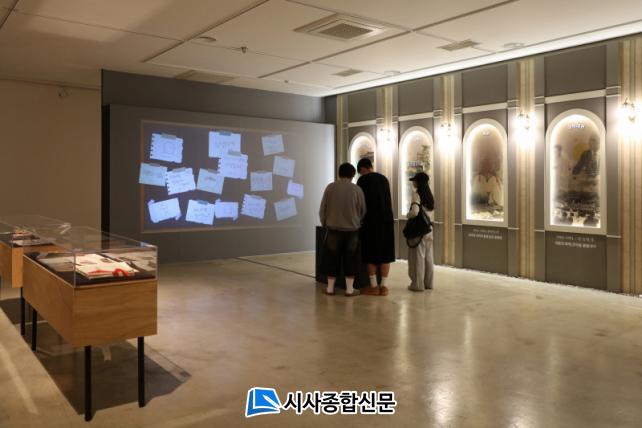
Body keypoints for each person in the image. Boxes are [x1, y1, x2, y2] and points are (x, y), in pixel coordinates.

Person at [319, 162, 366, 297]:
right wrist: (358, 222)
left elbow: (322, 209)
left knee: (331, 258)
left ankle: (330, 288)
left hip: (333, 229)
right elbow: (363, 210)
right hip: (352, 230)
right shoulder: (357, 190)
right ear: (353, 174)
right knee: (351, 259)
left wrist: (324, 223)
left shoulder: (330, 187)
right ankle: (350, 289)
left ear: (339, 173)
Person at [356, 158, 395, 296]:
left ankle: (373, 286)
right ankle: (383, 286)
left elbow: (360, 203)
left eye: (360, 172)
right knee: (385, 254)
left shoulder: (362, 181)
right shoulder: (384, 179)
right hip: (387, 222)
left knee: (370, 254)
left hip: (370, 222)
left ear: (363, 168)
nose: (361, 174)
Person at [406, 172, 435, 292]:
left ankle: (417, 285)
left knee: (418, 257)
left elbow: (415, 212)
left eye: (414, 180)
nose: (413, 182)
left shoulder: (416, 194)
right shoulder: (429, 195)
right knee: (428, 257)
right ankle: (428, 283)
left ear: (418, 182)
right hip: (429, 229)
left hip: (419, 231)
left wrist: (408, 215)